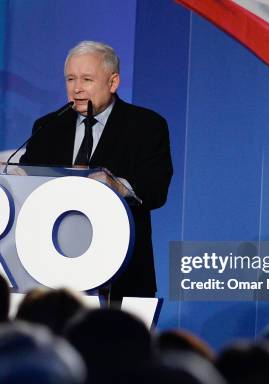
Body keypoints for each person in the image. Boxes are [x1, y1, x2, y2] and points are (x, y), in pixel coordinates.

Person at [20, 40, 173, 299]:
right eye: (70, 79)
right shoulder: (48, 127)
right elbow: (26, 178)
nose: (76, 89)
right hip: (53, 270)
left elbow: (156, 190)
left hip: (122, 272)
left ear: (113, 83)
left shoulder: (146, 126)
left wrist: (118, 187)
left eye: (87, 79)